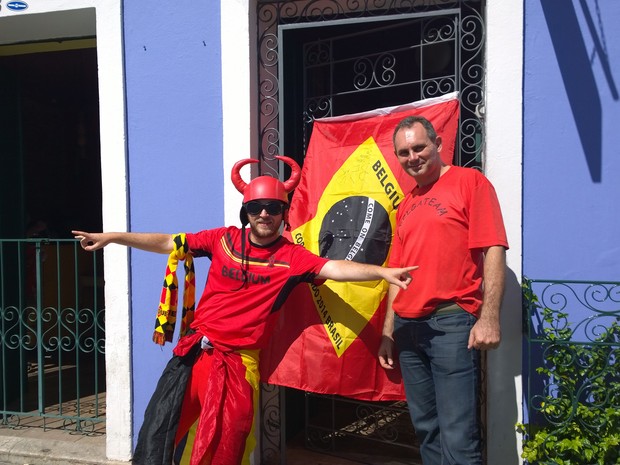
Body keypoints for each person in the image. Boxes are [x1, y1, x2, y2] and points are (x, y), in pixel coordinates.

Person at [73, 156, 417, 465]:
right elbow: (169, 242)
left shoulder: (292, 258)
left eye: (272, 207)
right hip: (194, 355)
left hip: (239, 363)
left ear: (283, 213)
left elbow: (336, 269)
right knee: (161, 429)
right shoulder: (221, 240)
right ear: (246, 212)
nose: (264, 214)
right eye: (256, 207)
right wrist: (114, 237)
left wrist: (383, 272)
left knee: (228, 442)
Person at [378, 116, 508, 465]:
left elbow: (493, 247)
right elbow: (397, 276)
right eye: (404, 152)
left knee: (459, 435)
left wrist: (489, 317)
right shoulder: (405, 203)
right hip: (408, 329)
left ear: (437, 143)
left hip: (451, 323)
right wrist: (388, 330)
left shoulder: (470, 182)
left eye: (419, 147)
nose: (413, 157)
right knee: (426, 430)